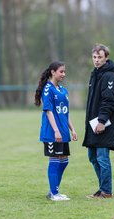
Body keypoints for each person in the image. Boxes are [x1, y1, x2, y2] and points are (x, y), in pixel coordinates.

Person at [83, 43, 114, 199]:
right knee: (92, 157)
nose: (96, 60)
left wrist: (101, 120)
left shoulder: (109, 76)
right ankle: (102, 188)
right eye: (94, 57)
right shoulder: (96, 74)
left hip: (104, 124)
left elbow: (109, 101)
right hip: (94, 124)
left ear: (106, 58)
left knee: (102, 157)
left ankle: (106, 191)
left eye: (100, 57)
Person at [35, 61, 78, 201]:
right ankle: (54, 193)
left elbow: (65, 113)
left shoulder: (63, 91)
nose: (63, 74)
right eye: (61, 71)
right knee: (54, 160)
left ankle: (54, 191)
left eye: (64, 71)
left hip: (64, 131)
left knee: (64, 161)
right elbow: (48, 110)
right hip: (52, 132)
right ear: (53, 72)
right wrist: (56, 131)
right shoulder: (48, 89)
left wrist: (72, 129)